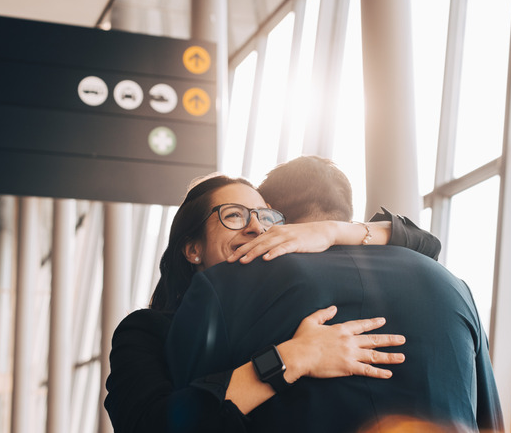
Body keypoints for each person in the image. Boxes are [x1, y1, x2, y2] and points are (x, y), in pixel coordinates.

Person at [166, 156, 504, 432]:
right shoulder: (452, 286)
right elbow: (488, 417)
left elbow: (194, 413)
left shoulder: (224, 286)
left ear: (277, 221)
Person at [104, 172, 441, 432]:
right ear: (193, 249)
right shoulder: (145, 331)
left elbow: (424, 245)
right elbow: (149, 425)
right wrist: (294, 358)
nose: (255, 227)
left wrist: (331, 232)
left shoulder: (278, 308)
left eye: (265, 217)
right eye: (234, 215)